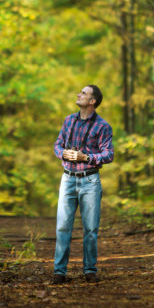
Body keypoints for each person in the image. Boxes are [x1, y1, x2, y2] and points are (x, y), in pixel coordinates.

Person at [52, 85, 114, 284]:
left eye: (84, 93)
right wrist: (62, 153)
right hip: (67, 179)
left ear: (92, 101)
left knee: (90, 229)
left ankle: (90, 270)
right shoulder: (69, 120)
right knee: (62, 227)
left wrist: (85, 157)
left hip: (90, 181)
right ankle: (59, 272)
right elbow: (57, 144)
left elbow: (108, 155)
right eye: (80, 92)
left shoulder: (103, 126)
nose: (79, 94)